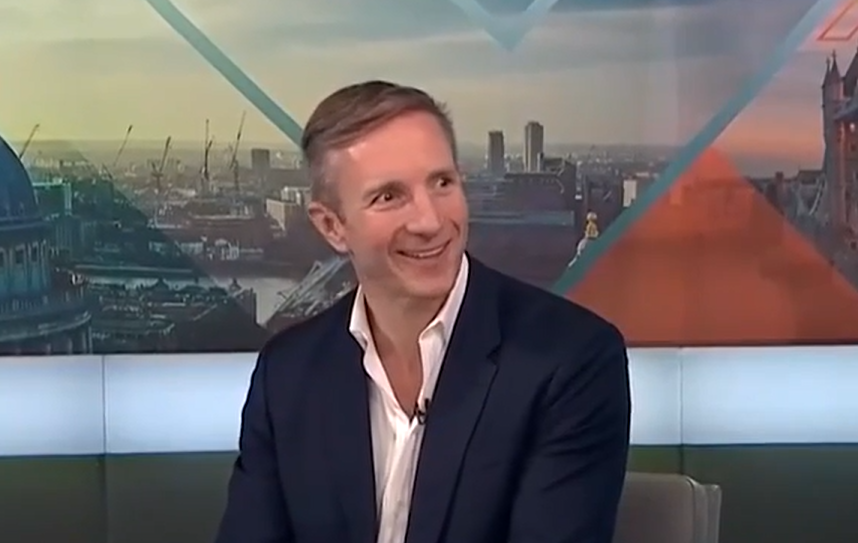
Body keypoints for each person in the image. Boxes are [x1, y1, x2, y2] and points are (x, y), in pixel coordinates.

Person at [215, 80, 632, 543]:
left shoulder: (570, 361)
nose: (430, 221)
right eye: (389, 196)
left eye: (442, 183)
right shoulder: (288, 374)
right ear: (332, 226)